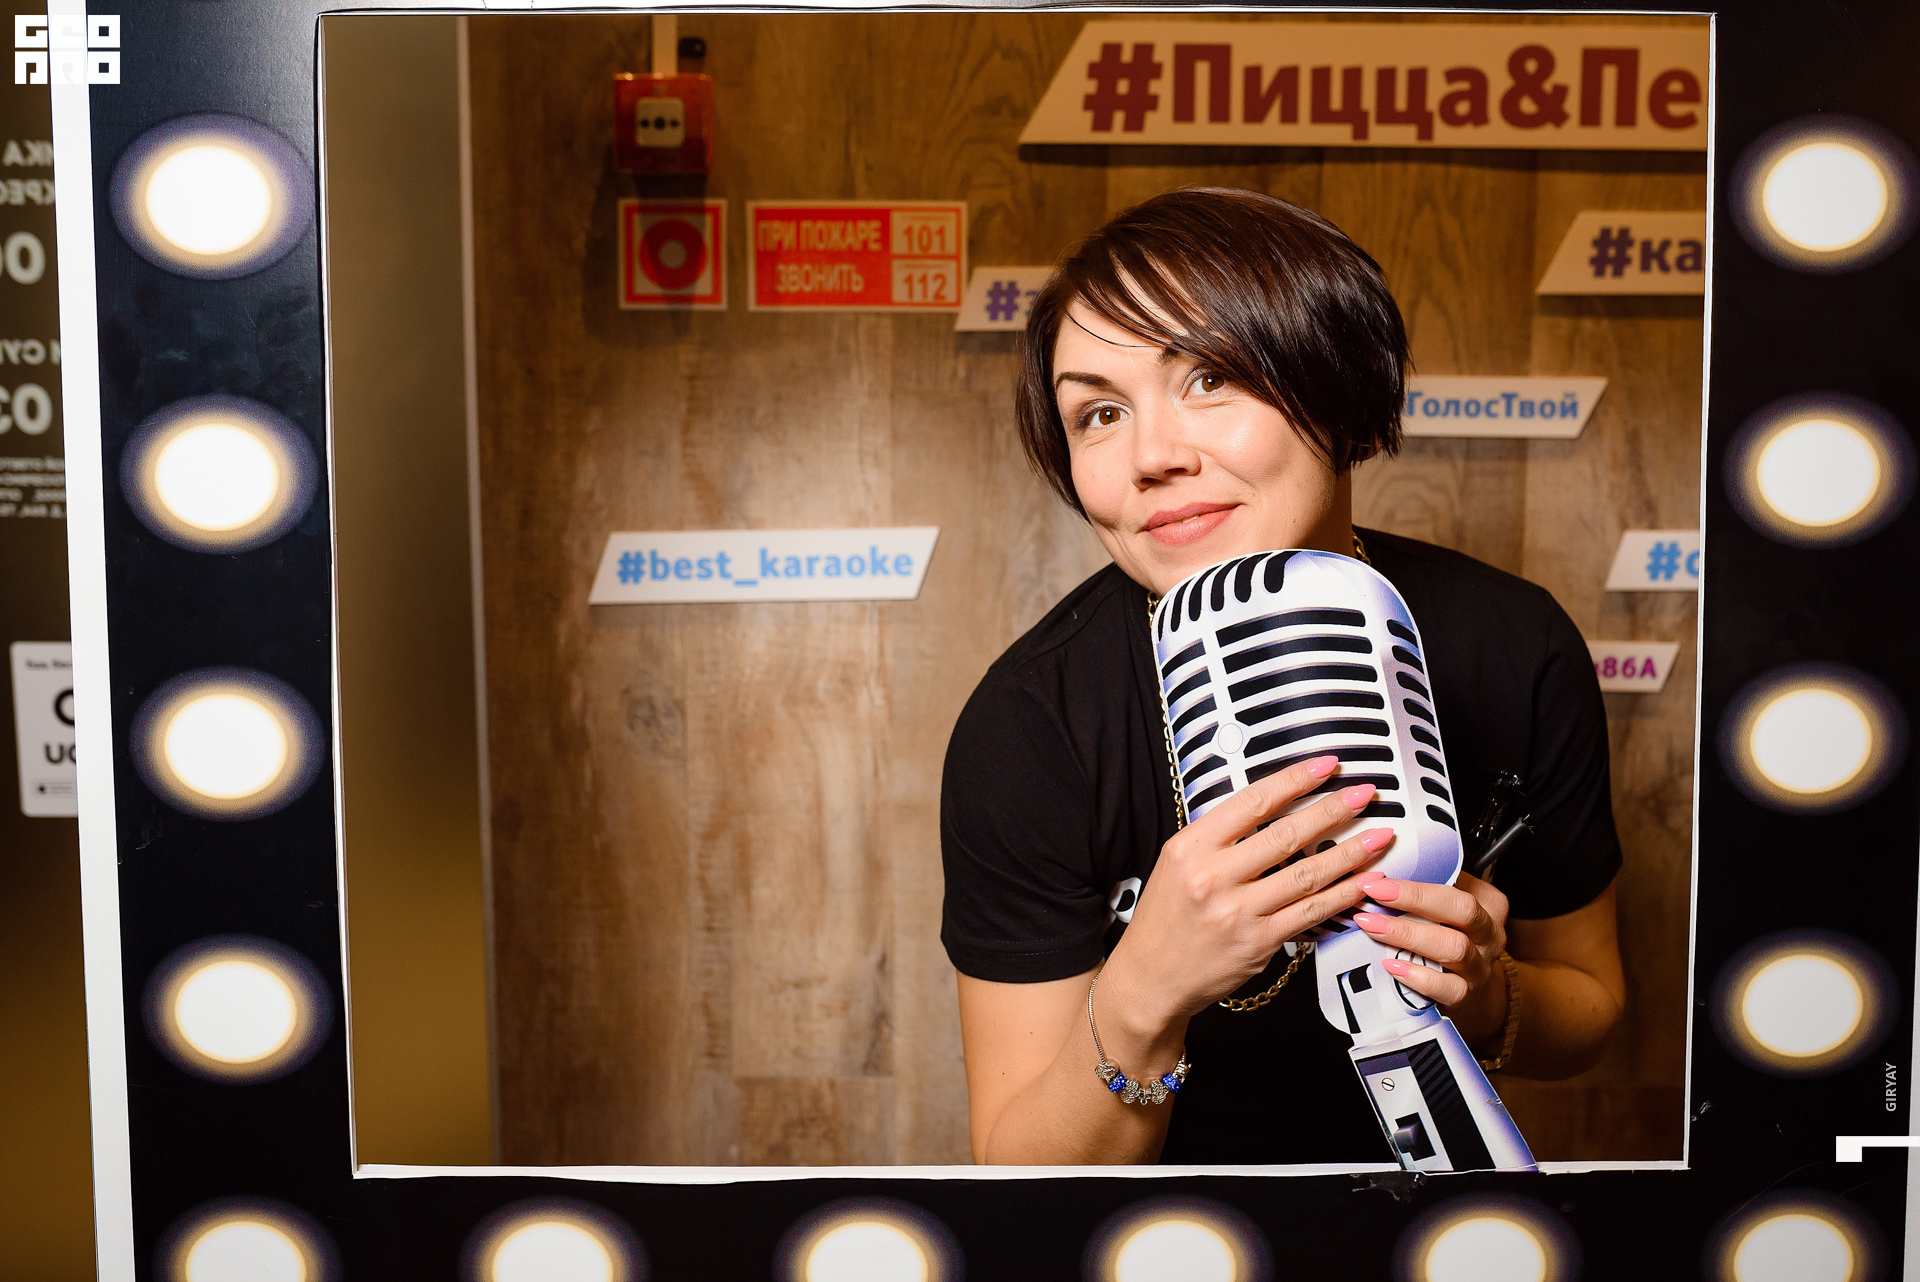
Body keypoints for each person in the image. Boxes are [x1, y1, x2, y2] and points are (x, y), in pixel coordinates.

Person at [939, 188, 1627, 1166]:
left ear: (1341, 386)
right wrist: (1141, 996)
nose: (1152, 456)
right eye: (1099, 412)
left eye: (1211, 376)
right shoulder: (1028, 724)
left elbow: (1592, 1009)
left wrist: (1488, 993)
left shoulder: (1515, 645)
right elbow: (1022, 1172)